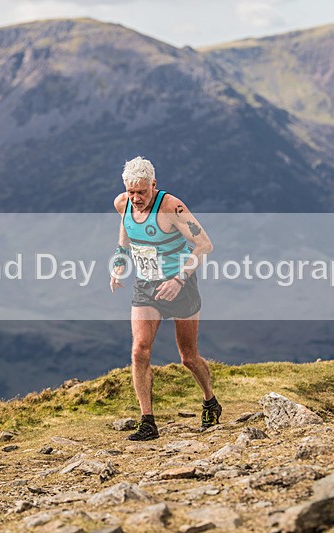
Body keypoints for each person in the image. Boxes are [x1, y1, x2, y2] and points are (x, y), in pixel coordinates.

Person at [110, 156, 221, 440]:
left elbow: (205, 245)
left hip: (179, 286)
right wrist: (120, 262)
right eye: (131, 191)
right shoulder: (121, 203)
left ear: (154, 185)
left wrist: (179, 279)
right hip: (146, 287)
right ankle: (147, 422)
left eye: (142, 192)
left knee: (188, 357)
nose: (136, 198)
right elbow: (126, 236)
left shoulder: (172, 207)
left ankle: (210, 400)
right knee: (139, 351)